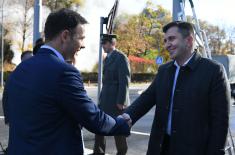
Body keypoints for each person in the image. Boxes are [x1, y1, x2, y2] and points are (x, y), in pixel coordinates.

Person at [2, 8, 130, 155]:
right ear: (65, 36)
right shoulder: (64, 72)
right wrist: (122, 124)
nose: (82, 45)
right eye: (81, 38)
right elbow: (93, 118)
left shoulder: (18, 71)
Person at [124, 21, 230, 155]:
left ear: (189, 40)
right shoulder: (164, 70)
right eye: (165, 40)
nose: (167, 44)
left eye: (172, 39)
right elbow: (147, 98)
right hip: (160, 148)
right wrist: (127, 116)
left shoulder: (213, 71)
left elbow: (220, 122)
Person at [93, 34, 131, 155]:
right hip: (105, 100)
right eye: (102, 43)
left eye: (104, 43)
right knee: (99, 127)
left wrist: (121, 101)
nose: (103, 46)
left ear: (111, 43)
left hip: (116, 101)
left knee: (118, 129)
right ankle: (98, 152)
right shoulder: (107, 58)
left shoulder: (121, 57)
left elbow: (125, 80)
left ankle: (122, 152)